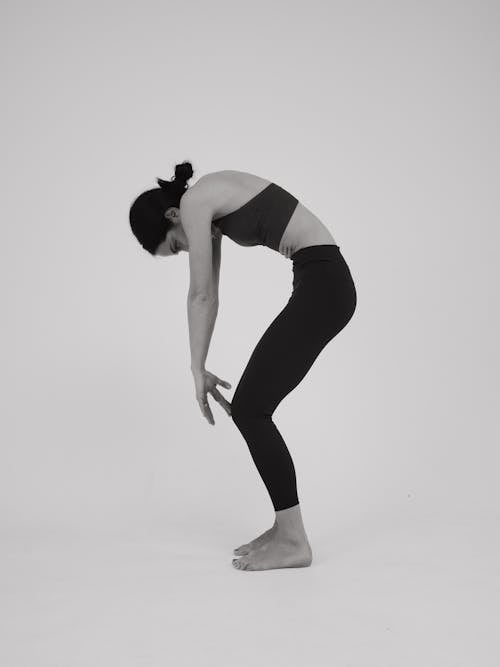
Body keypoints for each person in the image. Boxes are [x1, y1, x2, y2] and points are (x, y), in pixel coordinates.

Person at [129, 161, 357, 571]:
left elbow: (199, 295)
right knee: (251, 408)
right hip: (318, 281)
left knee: (251, 409)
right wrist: (199, 365)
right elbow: (210, 291)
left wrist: (196, 370)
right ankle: (284, 527)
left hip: (325, 285)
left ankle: (293, 540)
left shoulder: (197, 201)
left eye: (176, 245)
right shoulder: (206, 206)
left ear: (171, 216)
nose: (185, 250)